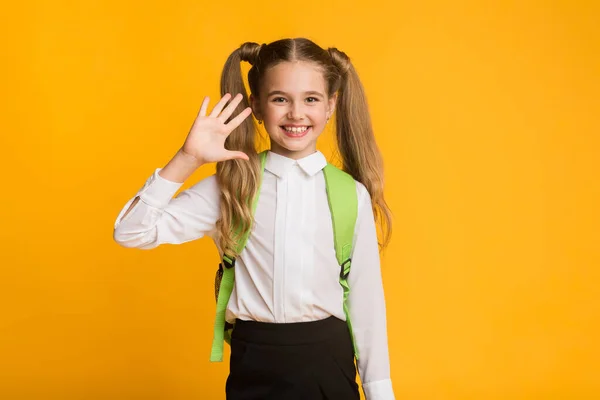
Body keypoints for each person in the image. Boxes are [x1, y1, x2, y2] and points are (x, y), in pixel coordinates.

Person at [113, 37, 394, 400]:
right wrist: (188, 158)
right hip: (254, 363)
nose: (296, 114)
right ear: (257, 106)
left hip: (328, 363)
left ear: (330, 106)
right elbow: (132, 232)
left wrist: (380, 393)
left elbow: (366, 304)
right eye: (281, 99)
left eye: (311, 99)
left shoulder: (349, 194)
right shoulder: (232, 185)